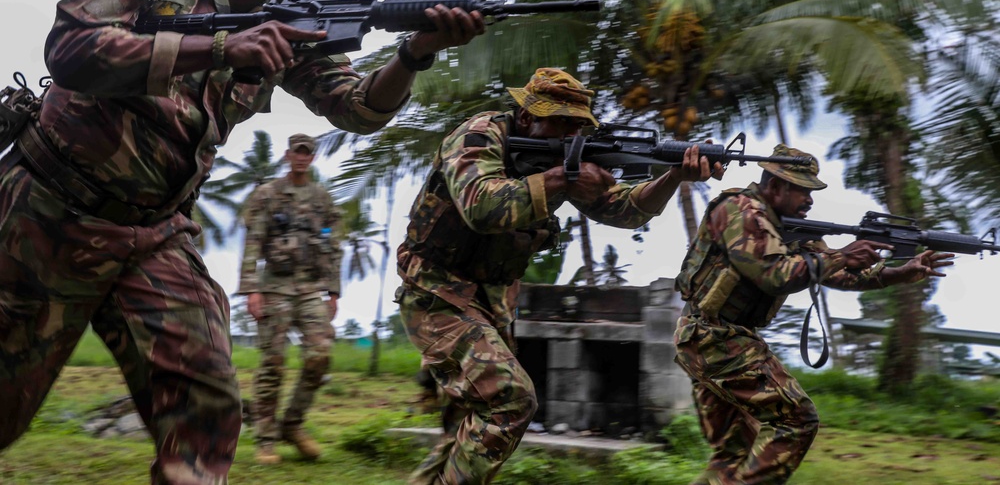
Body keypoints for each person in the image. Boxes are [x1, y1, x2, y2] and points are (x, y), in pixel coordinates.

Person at [0, 0, 484, 484]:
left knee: (209, 407)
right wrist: (224, 46)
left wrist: (415, 53)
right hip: (48, 213)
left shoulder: (294, 19)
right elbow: (72, 52)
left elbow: (358, 109)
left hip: (156, 236)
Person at [394, 67, 725, 485]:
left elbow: (622, 210)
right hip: (435, 288)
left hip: (490, 298)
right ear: (528, 116)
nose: (568, 135)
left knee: (469, 421)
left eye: (576, 125)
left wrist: (674, 174)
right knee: (510, 403)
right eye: (559, 122)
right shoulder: (479, 135)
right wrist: (564, 177)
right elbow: (480, 207)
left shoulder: (564, 157)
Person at [673, 144, 956, 485]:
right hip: (716, 339)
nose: (809, 200)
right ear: (776, 186)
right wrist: (841, 256)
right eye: (803, 191)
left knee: (734, 451)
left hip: (711, 340)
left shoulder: (786, 227)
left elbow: (838, 274)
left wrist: (901, 271)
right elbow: (774, 274)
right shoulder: (740, 211)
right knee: (796, 420)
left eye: (811, 192)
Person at [237, 133, 341, 464]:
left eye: (307, 153)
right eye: (297, 152)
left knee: (320, 355)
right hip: (275, 289)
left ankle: (292, 425)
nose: (301, 157)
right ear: (287, 156)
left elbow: (331, 244)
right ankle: (266, 439)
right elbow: (253, 242)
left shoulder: (322, 198)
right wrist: (251, 289)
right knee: (273, 364)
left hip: (310, 289)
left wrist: (333, 291)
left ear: (312, 158)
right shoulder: (267, 195)